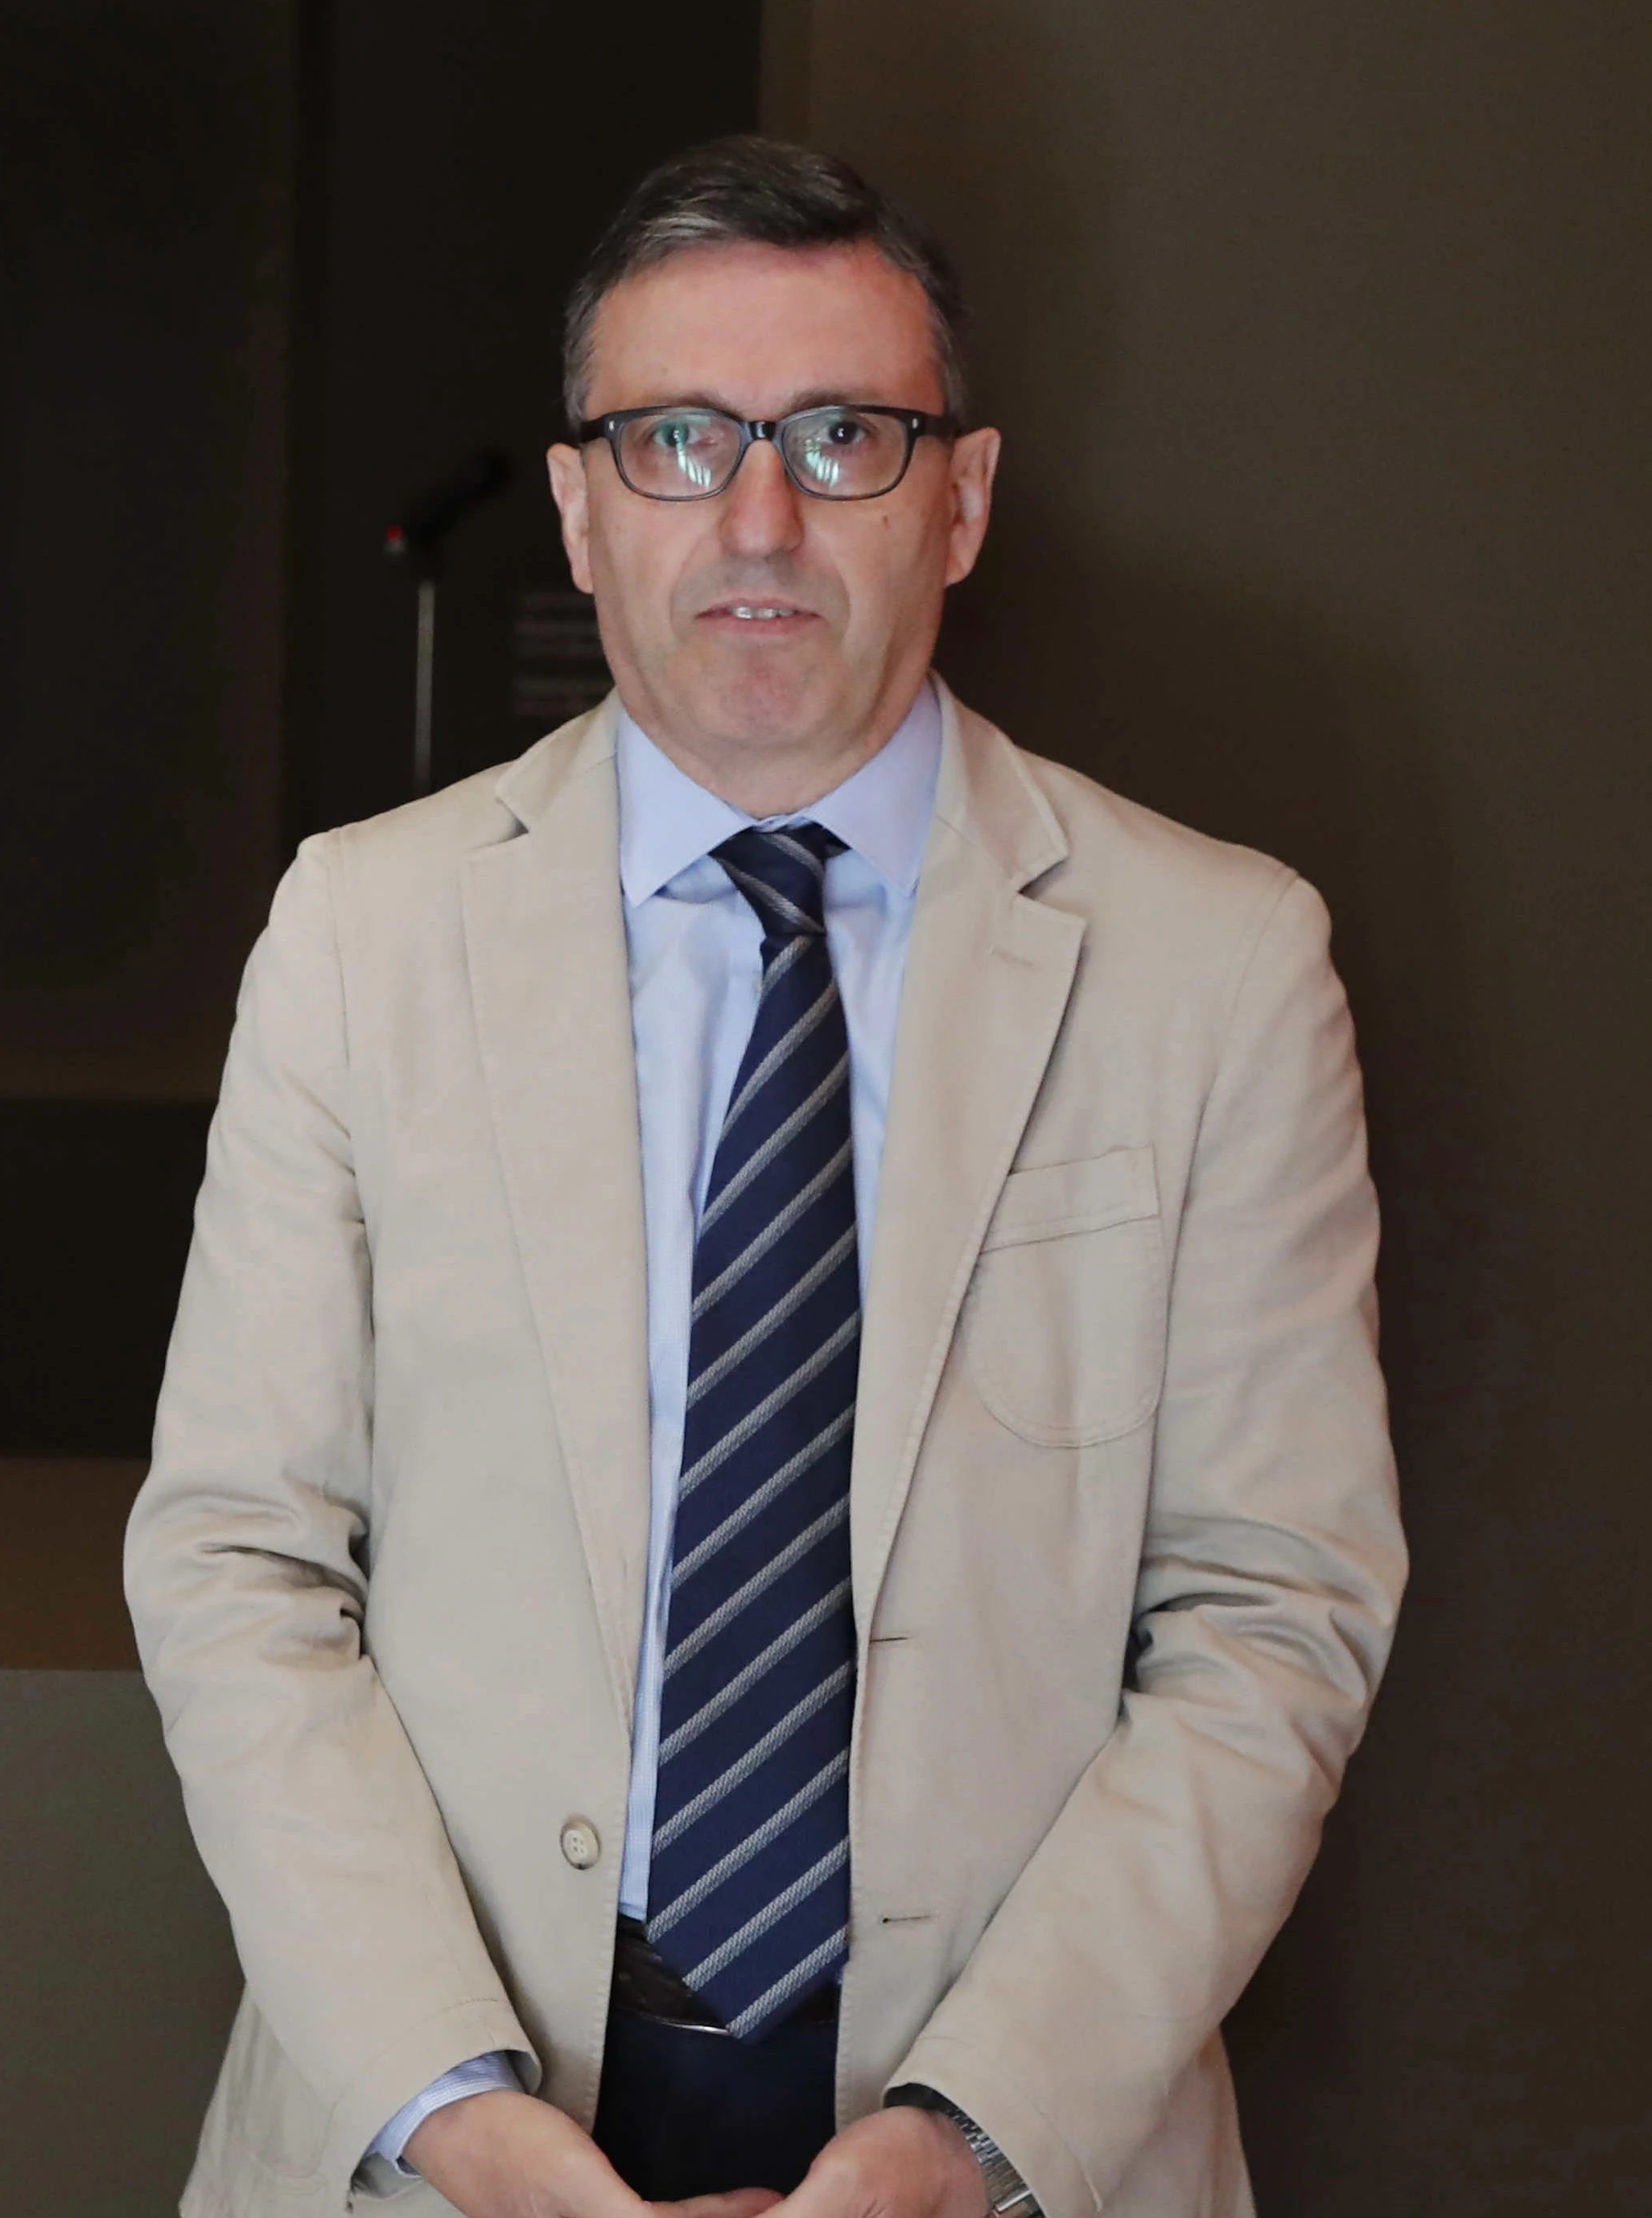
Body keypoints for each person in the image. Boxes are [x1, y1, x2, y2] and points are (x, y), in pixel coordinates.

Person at [121, 138, 1401, 2217]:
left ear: (962, 495)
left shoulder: (1219, 961)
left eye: (841, 434)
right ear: (577, 504)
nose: (757, 516)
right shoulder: (361, 931)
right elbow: (240, 1560)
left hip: (1014, 2134)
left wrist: (956, 2140)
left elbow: (1271, 1614)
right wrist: (466, 2120)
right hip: (440, 2123)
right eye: (677, 437)